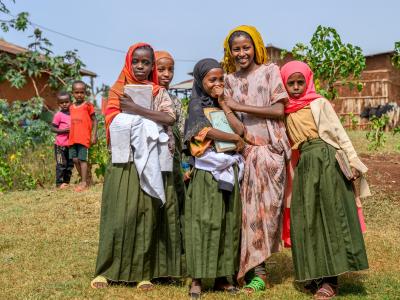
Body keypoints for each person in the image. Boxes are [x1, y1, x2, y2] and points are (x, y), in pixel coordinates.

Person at [91, 43, 182, 291]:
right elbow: (111, 119)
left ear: (152, 65)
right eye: (136, 62)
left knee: (146, 214)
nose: (141, 67)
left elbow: (169, 117)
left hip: (152, 161)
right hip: (123, 162)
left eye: (146, 63)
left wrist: (135, 110)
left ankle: (144, 272)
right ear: (128, 62)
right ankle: (107, 271)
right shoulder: (117, 90)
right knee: (119, 215)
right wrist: (136, 116)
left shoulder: (157, 92)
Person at [280, 60, 369, 299]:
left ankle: (330, 281)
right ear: (284, 84)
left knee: (330, 216)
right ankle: (314, 274)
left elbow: (339, 133)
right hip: (304, 165)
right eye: (291, 83)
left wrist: (353, 161)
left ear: (308, 81)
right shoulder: (283, 109)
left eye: (301, 82)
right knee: (306, 218)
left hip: (326, 160)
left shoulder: (319, 103)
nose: (296, 87)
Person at [222, 25, 291, 293]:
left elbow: (278, 110)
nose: (241, 53)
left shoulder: (269, 71)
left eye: (246, 47)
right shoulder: (228, 80)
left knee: (266, 214)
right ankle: (257, 273)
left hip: (270, 153)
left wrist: (238, 106)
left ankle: (259, 268)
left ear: (256, 47)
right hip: (242, 154)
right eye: (236, 49)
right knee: (246, 215)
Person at [184, 58, 245, 299]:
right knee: (204, 221)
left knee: (227, 221)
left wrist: (225, 105)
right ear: (201, 81)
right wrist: (234, 140)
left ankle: (221, 276)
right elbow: (202, 130)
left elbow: (239, 130)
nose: (217, 83)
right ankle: (197, 279)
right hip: (207, 172)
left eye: (221, 79)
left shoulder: (224, 103)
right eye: (212, 79)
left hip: (229, 169)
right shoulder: (196, 104)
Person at [155, 50, 185, 224]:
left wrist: (185, 162)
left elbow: (180, 132)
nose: (167, 74)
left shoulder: (175, 101)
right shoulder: (146, 98)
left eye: (170, 69)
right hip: (151, 157)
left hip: (173, 159)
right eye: (161, 69)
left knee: (174, 197)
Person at [68, 80, 98, 192]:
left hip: (83, 138)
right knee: (75, 160)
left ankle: (84, 182)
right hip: (72, 138)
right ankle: (85, 179)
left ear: (85, 93)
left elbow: (95, 121)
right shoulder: (70, 107)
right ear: (73, 93)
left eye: (82, 92)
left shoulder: (88, 106)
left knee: (82, 160)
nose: (79, 94)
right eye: (77, 92)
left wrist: (94, 135)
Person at [51, 91, 73, 189]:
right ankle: (59, 183)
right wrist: (63, 130)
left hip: (71, 144)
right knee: (61, 164)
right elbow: (52, 128)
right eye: (61, 103)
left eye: (66, 102)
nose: (64, 104)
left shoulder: (73, 113)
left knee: (69, 165)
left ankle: (66, 182)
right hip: (60, 145)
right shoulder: (58, 115)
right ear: (58, 104)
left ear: (70, 102)